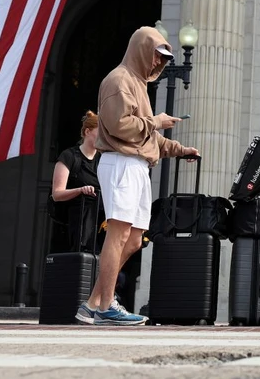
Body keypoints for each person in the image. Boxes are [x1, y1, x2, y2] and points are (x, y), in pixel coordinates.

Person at [75, 26, 198, 326]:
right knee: (118, 235)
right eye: (157, 55)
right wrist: (155, 121)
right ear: (142, 49)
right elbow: (120, 125)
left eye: (164, 58)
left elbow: (146, 138)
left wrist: (180, 149)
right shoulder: (118, 80)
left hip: (137, 166)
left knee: (132, 240)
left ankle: (93, 303)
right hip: (121, 164)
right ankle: (106, 305)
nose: (159, 63)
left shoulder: (137, 84)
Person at [50, 111, 101, 254]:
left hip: (99, 223)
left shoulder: (104, 159)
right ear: (87, 131)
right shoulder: (69, 156)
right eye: (101, 132)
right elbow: (57, 194)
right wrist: (80, 190)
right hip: (76, 224)